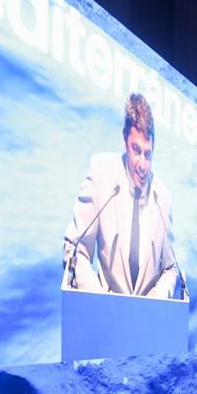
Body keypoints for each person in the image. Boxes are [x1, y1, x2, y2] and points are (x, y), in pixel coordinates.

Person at [63, 93, 180, 298]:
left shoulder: (163, 196)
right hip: (103, 318)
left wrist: (154, 303)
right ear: (124, 139)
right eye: (136, 150)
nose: (143, 165)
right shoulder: (101, 173)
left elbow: (171, 268)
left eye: (148, 154)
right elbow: (75, 249)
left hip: (146, 322)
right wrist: (101, 303)